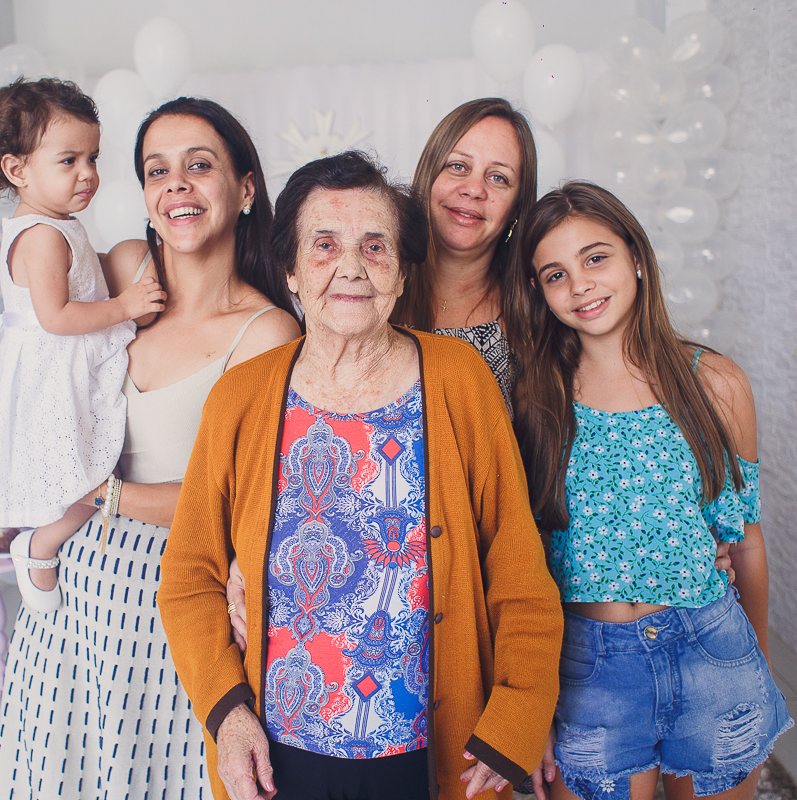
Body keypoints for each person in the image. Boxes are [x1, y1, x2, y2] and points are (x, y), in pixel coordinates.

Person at [158, 151, 563, 800]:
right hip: (276, 752)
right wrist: (225, 712)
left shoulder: (461, 382)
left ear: (403, 273)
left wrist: (519, 710)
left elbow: (516, 566)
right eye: (324, 245)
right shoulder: (240, 397)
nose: (350, 266)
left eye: (375, 246)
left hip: (427, 754)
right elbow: (188, 578)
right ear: (290, 268)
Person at [0, 97, 300, 800]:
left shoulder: (267, 332)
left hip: (172, 590)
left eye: (200, 166)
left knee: (160, 772)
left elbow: (241, 504)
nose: (177, 186)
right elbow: (41, 286)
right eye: (158, 171)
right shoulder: (127, 270)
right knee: (63, 766)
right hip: (73, 586)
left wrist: (99, 491)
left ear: (246, 188)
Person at [512, 182, 791, 800]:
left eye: (595, 257)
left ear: (636, 256)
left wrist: (759, 671)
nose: (580, 284)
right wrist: (528, 705)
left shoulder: (715, 383)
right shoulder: (536, 400)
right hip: (590, 669)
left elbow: (744, 545)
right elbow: (521, 564)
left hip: (712, 651)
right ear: (538, 291)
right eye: (555, 274)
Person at [0, 77, 166, 612]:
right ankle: (40, 544)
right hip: (54, 373)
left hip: (65, 364)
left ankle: (52, 541)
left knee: (92, 466)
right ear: (17, 169)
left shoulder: (57, 225)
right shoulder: (42, 236)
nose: (88, 174)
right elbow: (56, 316)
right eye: (69, 160)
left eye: (93, 157)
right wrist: (125, 307)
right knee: (91, 473)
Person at [392, 97, 539, 413]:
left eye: (498, 177)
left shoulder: (534, 314)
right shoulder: (370, 290)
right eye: (458, 166)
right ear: (428, 176)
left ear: (516, 207)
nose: (474, 189)